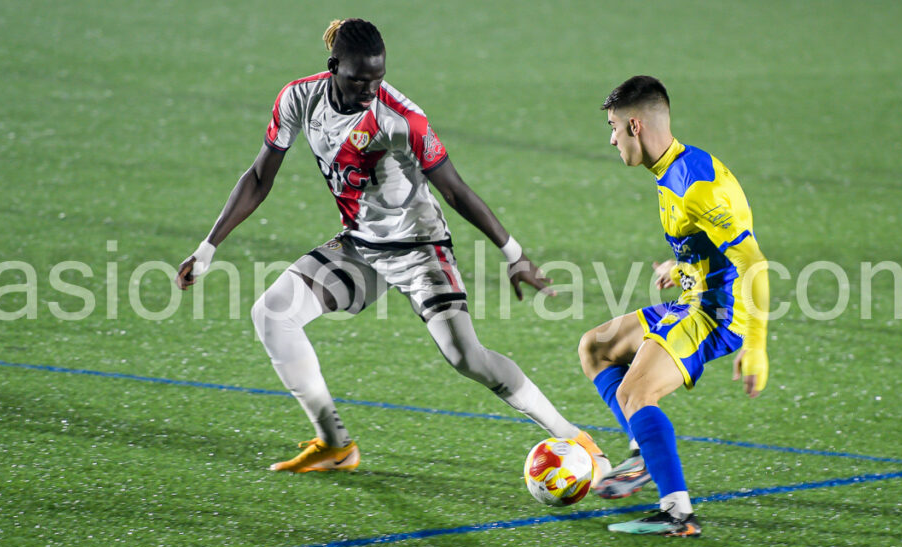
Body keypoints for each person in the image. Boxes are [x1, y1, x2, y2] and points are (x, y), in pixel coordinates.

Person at [174, 18, 610, 476]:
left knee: (466, 357)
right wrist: (208, 247)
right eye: (359, 79)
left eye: (377, 78)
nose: (369, 89)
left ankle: (574, 438)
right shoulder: (299, 98)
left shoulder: (401, 119)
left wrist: (514, 253)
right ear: (333, 67)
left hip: (420, 249)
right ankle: (335, 444)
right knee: (271, 313)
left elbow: (455, 190)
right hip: (360, 247)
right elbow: (259, 177)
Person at [578, 76, 770, 537]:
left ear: (635, 125)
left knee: (634, 393)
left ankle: (678, 514)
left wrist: (757, 345)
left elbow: (754, 263)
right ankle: (644, 452)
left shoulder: (695, 187)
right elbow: (712, 247)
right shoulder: (676, 166)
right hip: (695, 300)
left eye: (613, 127)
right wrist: (683, 267)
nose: (611, 139)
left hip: (717, 315)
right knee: (596, 348)